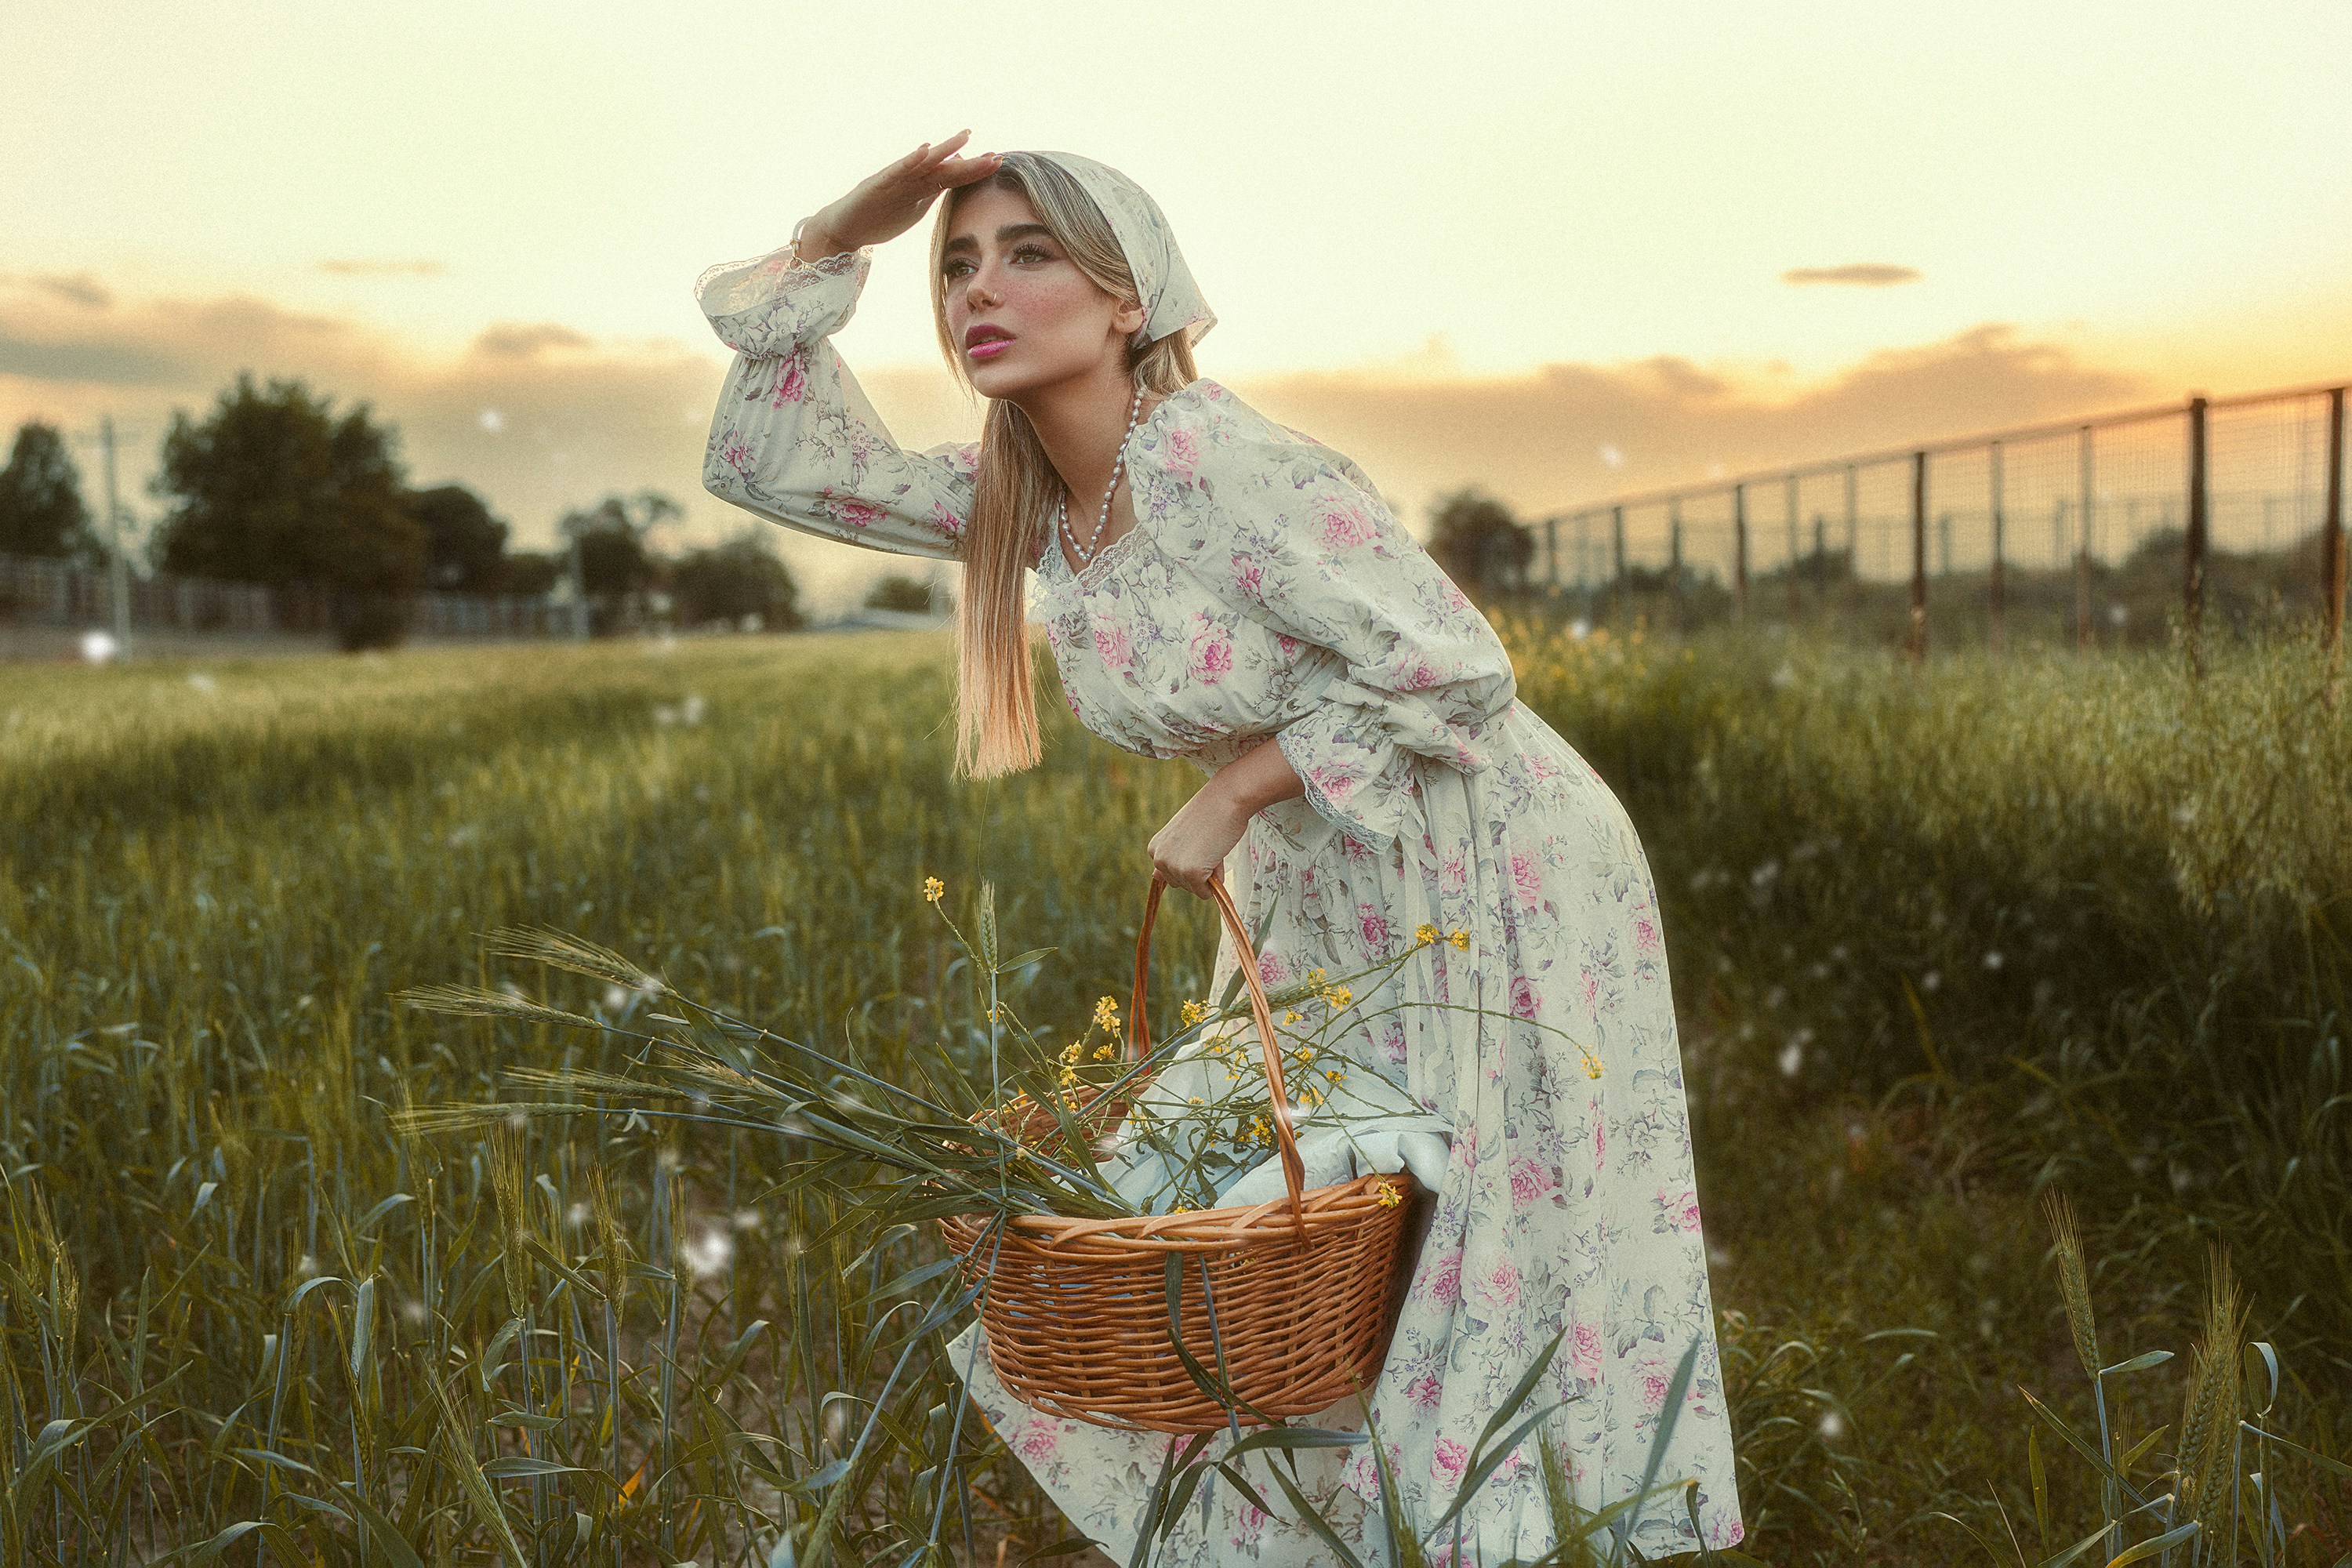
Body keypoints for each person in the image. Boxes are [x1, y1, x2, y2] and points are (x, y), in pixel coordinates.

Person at [693, 132, 1743, 1564]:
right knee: (1283, 1232)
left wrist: (1238, 787)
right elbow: (777, 464)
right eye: (955, 264)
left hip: (1482, 847)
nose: (975, 293)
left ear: (1132, 300)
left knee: (1489, 1247)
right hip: (1324, 878)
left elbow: (1455, 665)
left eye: (1029, 254)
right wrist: (836, 234)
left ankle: (1530, 1533)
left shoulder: (1206, 455)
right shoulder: (1032, 506)